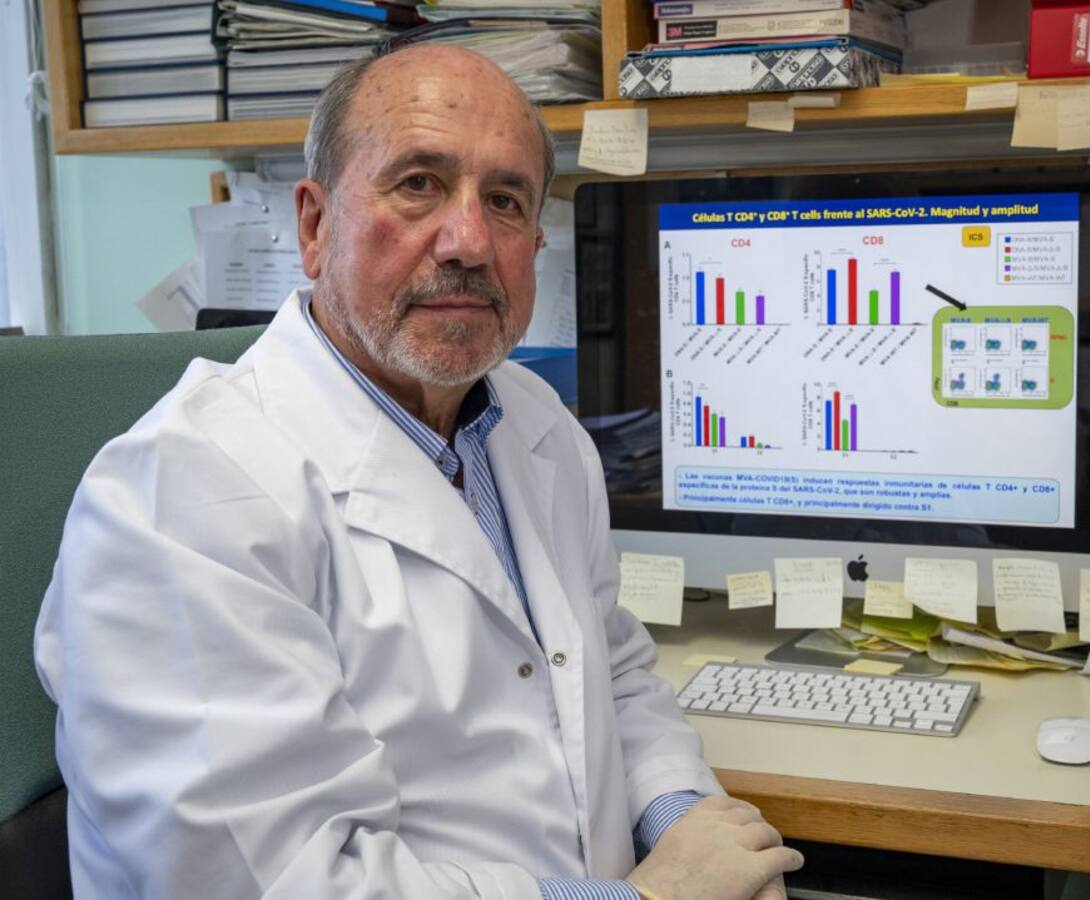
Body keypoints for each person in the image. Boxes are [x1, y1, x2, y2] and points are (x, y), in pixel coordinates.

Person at [34, 46, 803, 900]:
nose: (468, 241)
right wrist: (652, 897)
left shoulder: (535, 422)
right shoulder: (177, 495)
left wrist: (686, 820)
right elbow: (275, 880)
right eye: (418, 185)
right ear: (315, 226)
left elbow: (611, 674)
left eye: (505, 201)